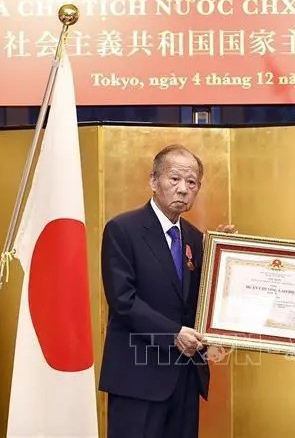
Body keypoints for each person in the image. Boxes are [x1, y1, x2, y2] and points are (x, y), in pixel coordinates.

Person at [99, 144, 232, 438]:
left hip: (184, 377)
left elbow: (199, 303)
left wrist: (224, 258)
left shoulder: (196, 239)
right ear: (153, 180)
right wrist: (173, 334)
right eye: (174, 179)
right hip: (137, 378)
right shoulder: (123, 229)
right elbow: (123, 300)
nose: (183, 189)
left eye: (192, 182)